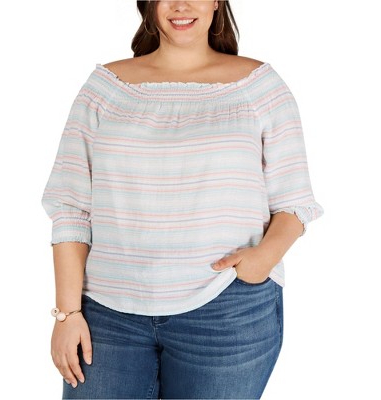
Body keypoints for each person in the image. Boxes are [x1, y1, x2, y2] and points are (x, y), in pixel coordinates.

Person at [41, 1, 323, 399]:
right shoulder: (105, 88)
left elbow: (294, 202)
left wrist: (262, 260)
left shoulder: (259, 86)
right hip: (107, 315)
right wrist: (66, 314)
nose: (181, 5)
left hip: (225, 309)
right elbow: (71, 208)